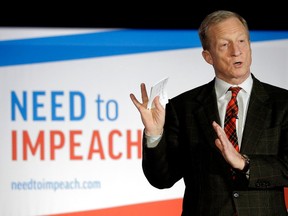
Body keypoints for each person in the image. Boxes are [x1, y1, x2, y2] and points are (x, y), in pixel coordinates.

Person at [130, 10, 288, 216]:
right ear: (208, 56)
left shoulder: (283, 103)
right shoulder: (182, 107)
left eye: (242, 41)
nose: (236, 51)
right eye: (224, 45)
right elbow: (162, 179)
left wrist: (243, 163)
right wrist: (154, 134)